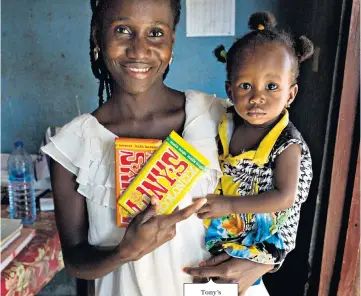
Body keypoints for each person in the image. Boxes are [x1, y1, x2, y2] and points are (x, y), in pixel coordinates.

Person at [41, 1, 274, 295]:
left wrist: (266, 262)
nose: (139, 50)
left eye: (155, 33)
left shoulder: (218, 117)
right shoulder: (71, 146)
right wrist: (125, 251)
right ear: (98, 36)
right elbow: (75, 261)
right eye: (123, 30)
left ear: (171, 42)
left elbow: (284, 191)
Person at [187, 11, 313, 286]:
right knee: (206, 278)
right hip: (229, 228)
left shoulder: (287, 143)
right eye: (246, 86)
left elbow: (285, 197)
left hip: (263, 238)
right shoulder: (226, 124)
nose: (257, 97)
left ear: (290, 94)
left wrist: (229, 204)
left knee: (228, 283)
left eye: (271, 86)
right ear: (229, 91)